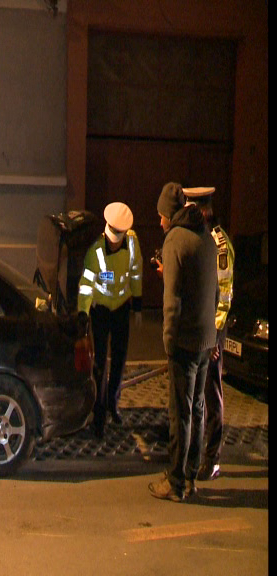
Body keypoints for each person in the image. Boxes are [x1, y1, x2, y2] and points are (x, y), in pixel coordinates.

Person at [148, 182, 218, 502]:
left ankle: (175, 483)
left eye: (161, 214)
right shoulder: (206, 237)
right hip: (205, 339)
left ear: (169, 213)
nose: (159, 219)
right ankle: (190, 476)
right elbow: (212, 289)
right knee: (198, 408)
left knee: (180, 413)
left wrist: (168, 340)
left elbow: (173, 300)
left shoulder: (175, 239)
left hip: (185, 341)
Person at [182, 187, 235, 482]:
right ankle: (194, 451)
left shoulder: (219, 244)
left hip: (212, 330)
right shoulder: (200, 238)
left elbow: (224, 295)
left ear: (202, 211)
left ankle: (212, 458)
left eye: (190, 210)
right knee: (196, 393)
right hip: (199, 327)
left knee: (212, 393)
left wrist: (215, 336)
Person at [78, 202, 143, 439]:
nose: (114, 242)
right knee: (99, 364)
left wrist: (138, 304)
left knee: (119, 359)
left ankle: (113, 403)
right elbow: (86, 285)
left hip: (122, 309)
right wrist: (83, 312)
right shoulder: (95, 252)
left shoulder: (132, 242)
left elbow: (136, 272)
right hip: (101, 311)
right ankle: (99, 414)